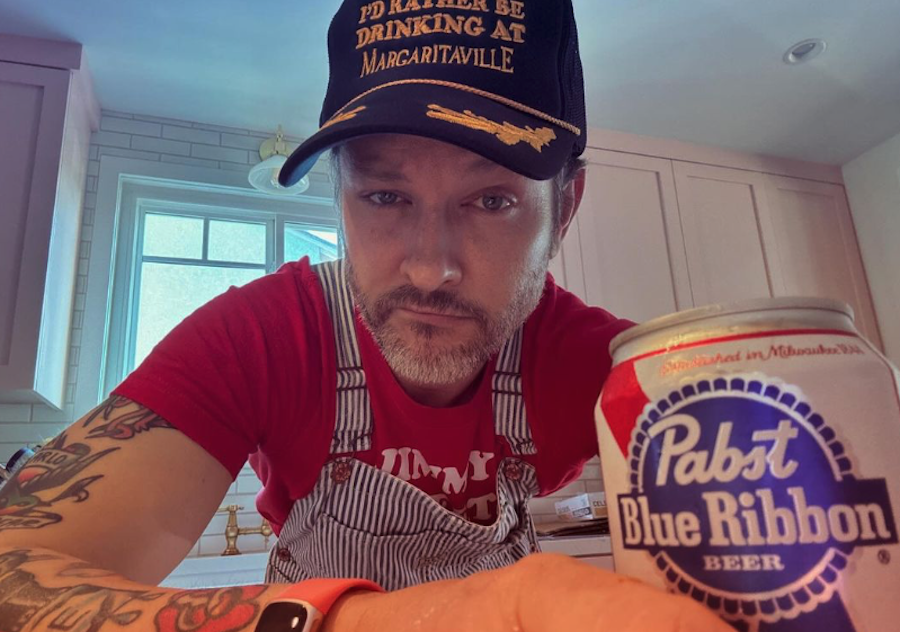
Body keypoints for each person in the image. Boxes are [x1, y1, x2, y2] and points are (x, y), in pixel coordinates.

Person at [0, 1, 730, 630]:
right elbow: (13, 568)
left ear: (563, 209)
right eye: (385, 197)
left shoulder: (606, 365)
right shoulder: (262, 338)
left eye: (491, 201)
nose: (429, 268)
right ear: (340, 196)